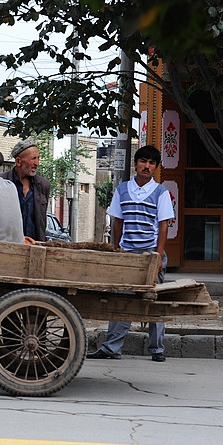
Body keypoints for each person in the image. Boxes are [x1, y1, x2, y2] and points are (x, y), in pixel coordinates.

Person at [87, 145, 175, 363]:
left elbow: (163, 226)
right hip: (127, 254)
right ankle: (111, 347)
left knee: (154, 301)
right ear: (136, 164)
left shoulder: (161, 192)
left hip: (150, 254)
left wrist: (159, 255)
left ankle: (157, 349)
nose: (146, 166)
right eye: (143, 161)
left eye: (151, 163)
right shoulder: (122, 189)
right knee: (121, 301)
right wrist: (117, 249)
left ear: (155, 167)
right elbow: (117, 221)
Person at [0, 138, 51, 243]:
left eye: (38, 158)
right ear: (18, 161)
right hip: (8, 245)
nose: (37, 163)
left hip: (35, 246)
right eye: (33, 158)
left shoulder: (43, 185)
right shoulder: (1, 182)